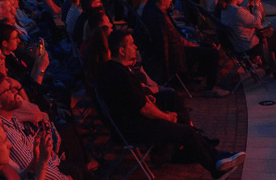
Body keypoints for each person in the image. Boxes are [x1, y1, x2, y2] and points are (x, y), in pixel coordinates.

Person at [90, 31, 243, 179]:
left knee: (181, 117)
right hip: (134, 129)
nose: (135, 46)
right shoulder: (121, 75)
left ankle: (216, 156)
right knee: (186, 131)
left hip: (129, 124)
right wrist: (166, 116)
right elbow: (145, 109)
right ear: (122, 51)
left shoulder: (110, 69)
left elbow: (132, 100)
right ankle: (215, 169)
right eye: (131, 44)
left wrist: (151, 101)